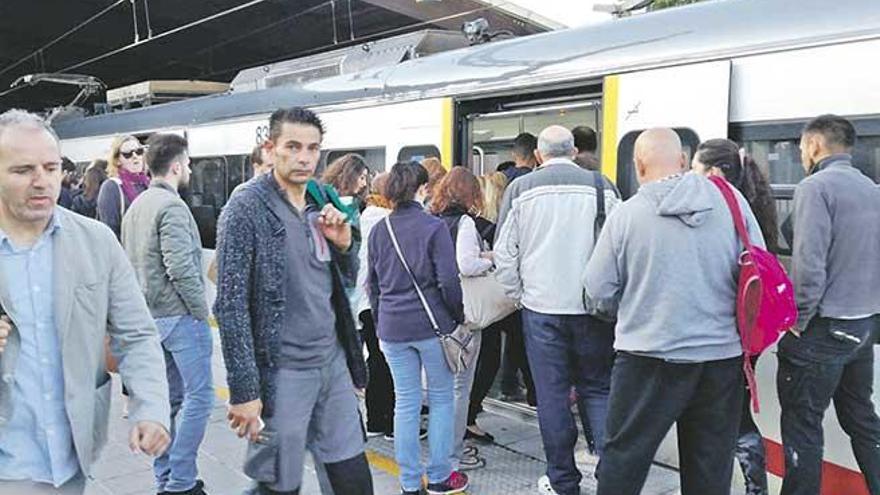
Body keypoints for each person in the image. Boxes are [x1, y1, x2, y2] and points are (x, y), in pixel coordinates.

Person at [584, 128, 765, 495]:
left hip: (647, 357)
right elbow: (759, 266)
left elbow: (598, 291)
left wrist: (635, 309)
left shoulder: (627, 215)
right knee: (710, 467)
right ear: (682, 162)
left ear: (638, 165)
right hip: (720, 360)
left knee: (624, 461)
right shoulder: (731, 201)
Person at [0, 109, 171, 494]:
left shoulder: (95, 241)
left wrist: (152, 407)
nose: (41, 181)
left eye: (50, 167)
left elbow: (138, 334)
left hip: (72, 459)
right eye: (23, 170)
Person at [214, 107, 372, 495]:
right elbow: (230, 306)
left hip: (331, 365)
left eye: (313, 148)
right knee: (277, 486)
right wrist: (245, 391)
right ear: (270, 149)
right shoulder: (246, 207)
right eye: (293, 146)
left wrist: (345, 245)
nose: (304, 157)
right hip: (280, 373)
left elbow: (344, 281)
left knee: (352, 481)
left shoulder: (322, 200)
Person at [495, 125, 618, 495]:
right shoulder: (603, 186)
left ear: (538, 155)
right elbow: (621, 247)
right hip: (593, 310)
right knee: (597, 390)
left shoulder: (519, 189)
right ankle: (610, 477)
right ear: (575, 151)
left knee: (552, 395)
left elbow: (504, 253)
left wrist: (519, 294)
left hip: (541, 310)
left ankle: (564, 481)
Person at [776, 114, 880, 495]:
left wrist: (797, 321)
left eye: (802, 146)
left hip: (823, 331)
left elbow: (809, 263)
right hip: (863, 330)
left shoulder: (815, 188)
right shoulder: (873, 189)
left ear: (816, 145)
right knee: (862, 420)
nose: (802, 154)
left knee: (803, 428)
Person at [367, 162, 469, 495]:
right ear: (422, 189)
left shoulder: (380, 231)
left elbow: (374, 286)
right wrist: (457, 317)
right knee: (440, 400)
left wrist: (383, 324)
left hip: (393, 330)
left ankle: (410, 483)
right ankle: (439, 477)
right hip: (431, 327)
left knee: (406, 403)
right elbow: (448, 282)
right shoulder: (433, 227)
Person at [121, 134, 214, 495]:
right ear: (176, 166)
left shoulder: (138, 205)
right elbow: (181, 269)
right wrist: (200, 312)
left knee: (169, 401)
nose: (189, 169)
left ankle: (165, 479)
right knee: (201, 396)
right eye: (188, 164)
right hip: (178, 318)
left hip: (150, 318)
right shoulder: (172, 207)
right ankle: (181, 479)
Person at [693, 138, 780, 495]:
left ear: (713, 172)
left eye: (695, 171)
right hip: (750, 328)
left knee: (722, 417)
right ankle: (754, 488)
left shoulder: (720, 207)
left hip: (724, 329)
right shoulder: (758, 204)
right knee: (740, 412)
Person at [430, 167, 491, 472]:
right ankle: (451, 455)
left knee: (439, 388)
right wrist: (489, 260)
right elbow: (466, 265)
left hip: (434, 315)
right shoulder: (464, 222)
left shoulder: (432, 219)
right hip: (460, 316)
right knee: (458, 389)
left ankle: (440, 450)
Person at [465, 173, 508, 441]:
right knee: (488, 358)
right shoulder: (482, 225)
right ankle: (468, 416)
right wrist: (488, 258)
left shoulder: (472, 222)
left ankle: (468, 413)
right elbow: (467, 263)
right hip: (485, 304)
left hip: (478, 303)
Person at [355, 173, 396, 438]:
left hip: (362, 301)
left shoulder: (363, 215)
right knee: (388, 362)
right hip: (379, 299)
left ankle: (374, 421)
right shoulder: (385, 219)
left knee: (376, 358)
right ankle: (391, 423)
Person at [97, 135, 149, 239]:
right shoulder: (112, 187)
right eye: (127, 154)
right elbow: (110, 231)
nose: (135, 156)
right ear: (117, 160)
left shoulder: (148, 183)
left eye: (138, 151)